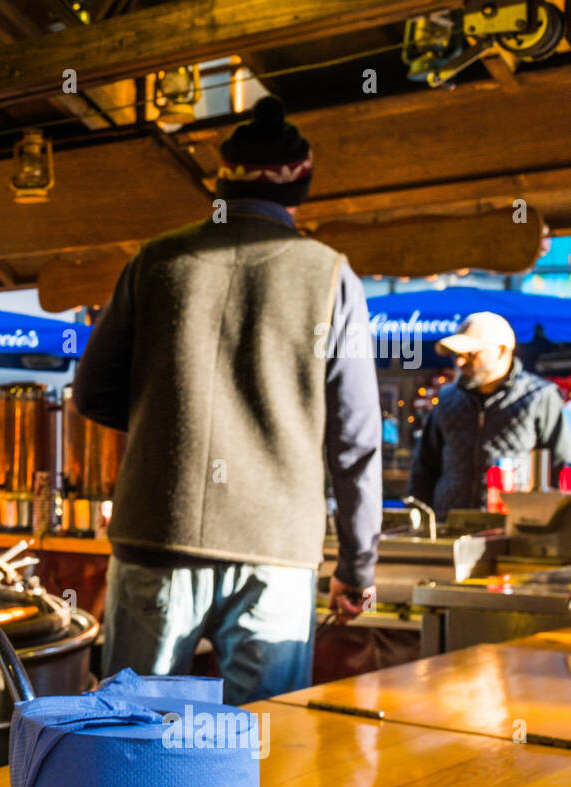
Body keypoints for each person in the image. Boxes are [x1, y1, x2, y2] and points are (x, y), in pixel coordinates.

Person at [72, 96, 381, 705]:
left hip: (156, 530)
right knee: (262, 743)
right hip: (274, 546)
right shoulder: (329, 274)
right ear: (300, 184)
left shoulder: (155, 261)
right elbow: (356, 437)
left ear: (222, 182)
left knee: (130, 732)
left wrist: (163, 423)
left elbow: (93, 392)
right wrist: (357, 564)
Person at [408, 312, 571, 515]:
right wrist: (416, 513)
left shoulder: (539, 396)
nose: (459, 362)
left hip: (513, 527)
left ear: (502, 351)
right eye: (456, 355)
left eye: (470, 353)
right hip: (448, 524)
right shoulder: (447, 398)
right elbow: (424, 467)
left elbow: (560, 469)